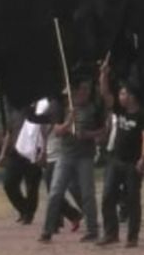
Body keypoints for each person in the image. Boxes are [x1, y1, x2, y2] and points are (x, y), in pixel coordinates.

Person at [37, 80, 102, 243]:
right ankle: (48, 230)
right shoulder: (64, 109)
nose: (84, 93)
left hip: (85, 156)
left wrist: (88, 134)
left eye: (86, 90)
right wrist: (68, 122)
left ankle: (92, 229)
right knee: (55, 192)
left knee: (87, 194)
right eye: (81, 90)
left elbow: (103, 131)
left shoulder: (94, 109)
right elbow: (57, 131)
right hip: (65, 155)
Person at [97, 64, 144, 248]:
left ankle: (132, 236)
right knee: (108, 196)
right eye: (120, 94)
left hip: (133, 163)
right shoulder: (119, 111)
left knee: (132, 199)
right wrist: (103, 75)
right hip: (115, 160)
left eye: (123, 94)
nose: (121, 97)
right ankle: (111, 233)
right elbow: (105, 94)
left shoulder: (143, 114)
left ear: (132, 96)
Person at [0, 101, 46, 225]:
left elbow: (44, 133)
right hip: (15, 153)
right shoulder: (15, 112)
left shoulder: (38, 112)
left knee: (31, 186)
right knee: (8, 184)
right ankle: (23, 209)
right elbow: (9, 134)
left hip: (33, 152)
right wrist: (3, 153)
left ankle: (29, 214)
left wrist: (44, 152)